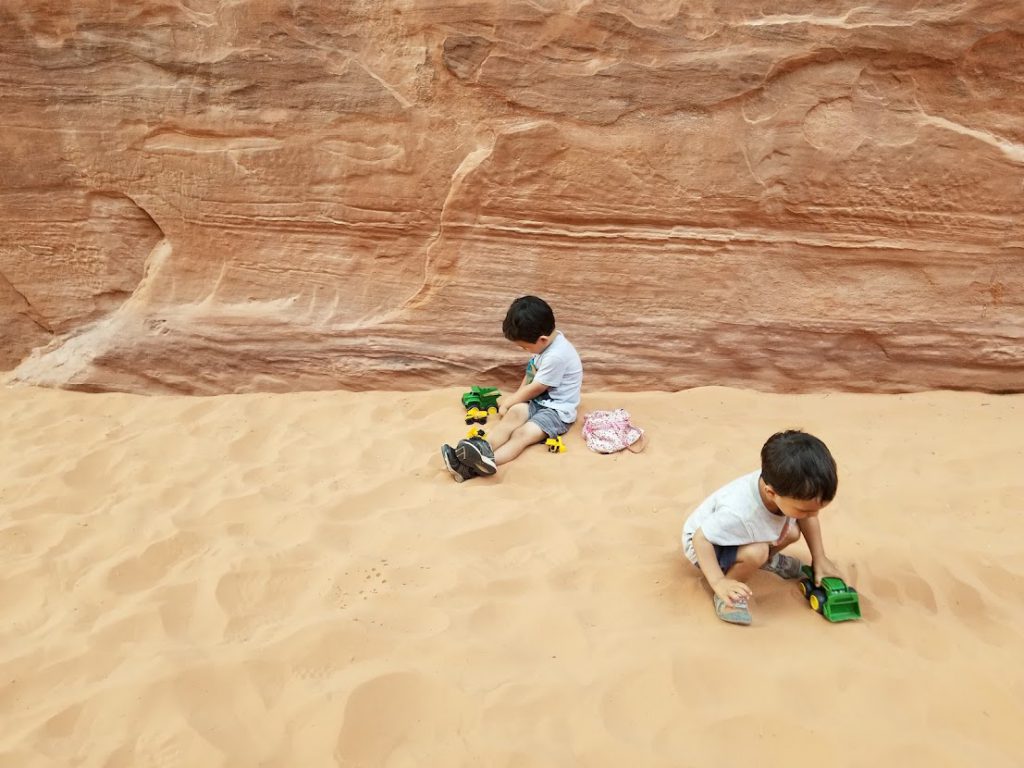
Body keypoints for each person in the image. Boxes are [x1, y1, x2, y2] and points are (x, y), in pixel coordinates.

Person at [681, 430, 842, 625]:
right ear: (771, 493)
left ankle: (766, 559)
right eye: (805, 510)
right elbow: (701, 539)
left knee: (792, 531)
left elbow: (807, 514)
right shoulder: (738, 513)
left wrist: (820, 558)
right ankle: (730, 591)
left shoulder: (788, 485)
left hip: (741, 531)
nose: (813, 515)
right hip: (707, 546)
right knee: (757, 552)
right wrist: (718, 582)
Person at [442, 295, 582, 482]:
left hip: (557, 412)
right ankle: (477, 451)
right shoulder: (547, 344)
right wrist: (517, 399)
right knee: (513, 415)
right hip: (539, 402)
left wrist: (511, 400)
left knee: (522, 434)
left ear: (541, 339)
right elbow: (531, 374)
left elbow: (538, 387)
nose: (525, 351)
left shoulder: (556, 356)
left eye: (524, 347)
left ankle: (476, 467)